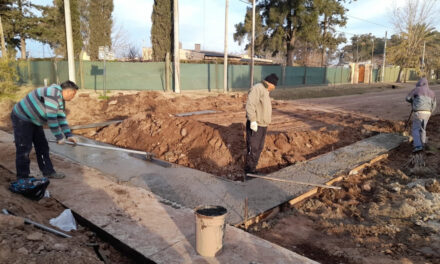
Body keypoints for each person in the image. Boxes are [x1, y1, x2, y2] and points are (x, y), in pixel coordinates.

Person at [11, 80, 79, 180]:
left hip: (35, 120)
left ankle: (48, 172)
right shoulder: (52, 94)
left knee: (42, 146)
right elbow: (52, 119)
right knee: (24, 148)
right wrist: (59, 137)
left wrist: (68, 135)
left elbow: (60, 117)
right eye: (73, 94)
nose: (73, 98)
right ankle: (23, 178)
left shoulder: (59, 98)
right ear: (68, 91)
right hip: (22, 117)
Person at [244, 73, 279, 174]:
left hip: (263, 125)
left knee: (259, 148)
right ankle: (248, 171)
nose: (274, 88)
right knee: (253, 148)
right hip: (256, 125)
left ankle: (253, 169)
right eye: (274, 86)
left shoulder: (265, 91)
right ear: (270, 83)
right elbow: (250, 105)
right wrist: (253, 120)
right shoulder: (258, 88)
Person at [406, 77, 436, 152]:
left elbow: (407, 98)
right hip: (428, 112)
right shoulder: (431, 92)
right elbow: (434, 104)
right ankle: (423, 143)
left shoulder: (416, 89)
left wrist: (413, 101)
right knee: (423, 129)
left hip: (418, 112)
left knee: (415, 129)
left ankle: (418, 146)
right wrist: (430, 111)